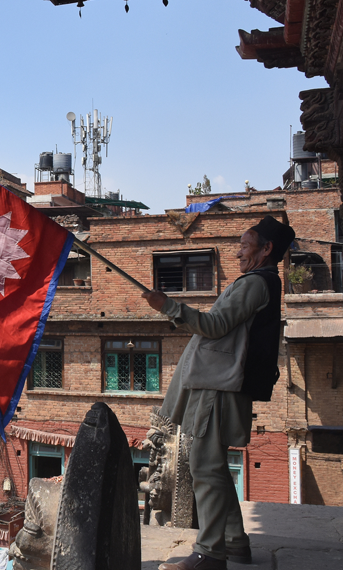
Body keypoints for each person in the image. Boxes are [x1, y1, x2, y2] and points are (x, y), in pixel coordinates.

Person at [143, 216, 294, 570]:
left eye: (245, 245)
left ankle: (209, 554)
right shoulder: (258, 282)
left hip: (219, 387)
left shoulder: (256, 284)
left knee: (205, 467)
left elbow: (214, 325)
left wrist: (168, 306)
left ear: (266, 249)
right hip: (219, 384)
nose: (238, 252)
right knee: (214, 469)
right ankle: (234, 542)